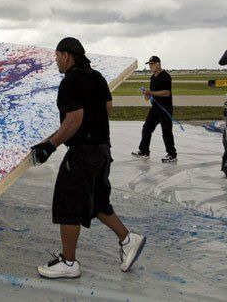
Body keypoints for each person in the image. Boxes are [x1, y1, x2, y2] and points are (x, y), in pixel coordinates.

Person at [31, 37, 146, 279]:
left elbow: (73, 120)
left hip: (83, 153)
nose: (55, 61)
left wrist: (49, 146)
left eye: (56, 56)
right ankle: (128, 239)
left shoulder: (71, 81)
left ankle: (69, 263)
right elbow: (107, 109)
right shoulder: (97, 77)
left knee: (68, 204)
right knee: (97, 202)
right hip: (102, 150)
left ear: (66, 55)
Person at [132, 56, 177, 163]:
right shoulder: (153, 77)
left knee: (166, 131)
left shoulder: (165, 76)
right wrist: (146, 95)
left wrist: (150, 93)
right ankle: (144, 151)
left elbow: (166, 93)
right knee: (146, 128)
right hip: (155, 108)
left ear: (158, 64)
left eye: (152, 64)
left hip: (165, 108)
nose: (150, 66)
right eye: (149, 64)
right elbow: (150, 96)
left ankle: (172, 154)